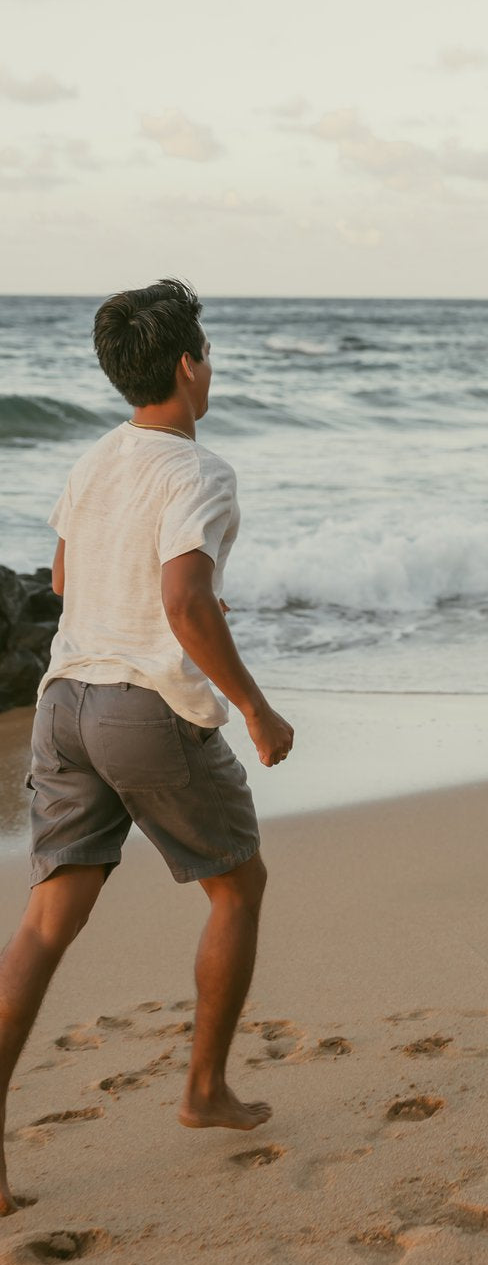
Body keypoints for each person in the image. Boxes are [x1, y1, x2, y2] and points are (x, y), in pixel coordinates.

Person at [0, 279, 294, 1216]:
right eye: (203, 350)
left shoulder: (94, 459)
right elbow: (183, 603)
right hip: (142, 709)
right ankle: (203, 1088)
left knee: (46, 924)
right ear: (185, 365)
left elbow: (59, 573)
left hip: (64, 703)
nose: (209, 366)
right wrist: (254, 706)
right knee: (237, 886)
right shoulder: (198, 471)